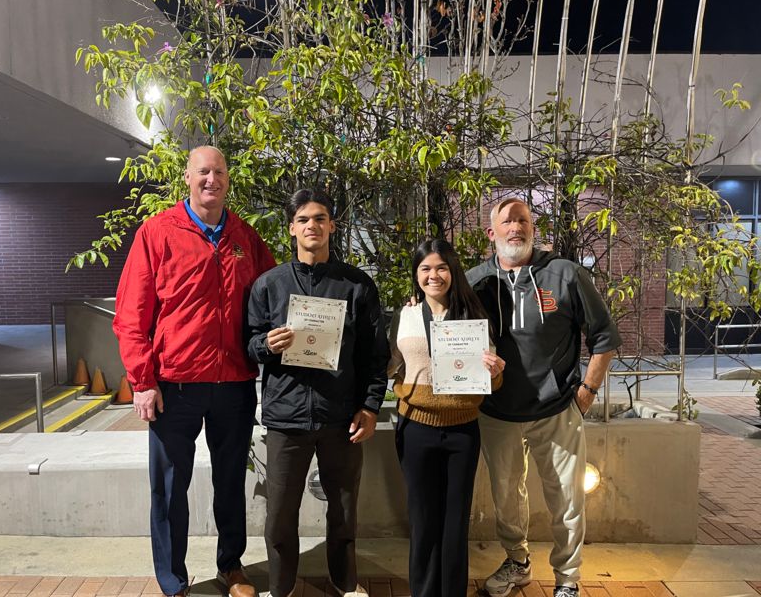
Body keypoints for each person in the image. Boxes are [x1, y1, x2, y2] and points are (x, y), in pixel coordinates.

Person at [113, 146, 276, 597]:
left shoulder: (245, 236)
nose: (212, 180)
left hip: (234, 384)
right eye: (203, 171)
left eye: (219, 172)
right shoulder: (157, 232)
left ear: (228, 179)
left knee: (230, 482)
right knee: (169, 488)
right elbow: (131, 315)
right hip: (174, 387)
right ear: (187, 177)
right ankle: (173, 580)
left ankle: (231, 566)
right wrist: (142, 382)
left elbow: (275, 294)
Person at [467, 198, 621, 597]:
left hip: (556, 409)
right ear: (492, 233)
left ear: (533, 228)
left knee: (567, 501)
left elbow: (604, 335)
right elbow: (448, 326)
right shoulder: (474, 281)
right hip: (497, 410)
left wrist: (587, 391)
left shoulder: (564, 274)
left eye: (523, 220)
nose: (516, 227)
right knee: (506, 498)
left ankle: (567, 579)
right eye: (507, 221)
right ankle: (517, 562)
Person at [246, 189, 388, 597]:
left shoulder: (357, 285)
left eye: (321, 218)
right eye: (304, 219)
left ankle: (345, 583)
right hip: (286, 417)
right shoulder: (269, 285)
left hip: (340, 417)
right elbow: (249, 344)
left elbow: (373, 355)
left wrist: (370, 406)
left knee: (343, 510)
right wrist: (266, 345)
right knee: (279, 515)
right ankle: (281, 587)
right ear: (292, 228)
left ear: (332, 226)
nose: (313, 226)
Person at [388, 239, 505, 597]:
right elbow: (393, 365)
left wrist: (497, 371)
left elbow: (492, 380)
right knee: (423, 521)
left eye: (440, 268)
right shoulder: (404, 314)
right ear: (416, 275)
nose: (433, 275)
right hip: (415, 428)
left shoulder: (473, 318)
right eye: (425, 268)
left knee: (455, 523)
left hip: (462, 431)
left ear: (452, 272)